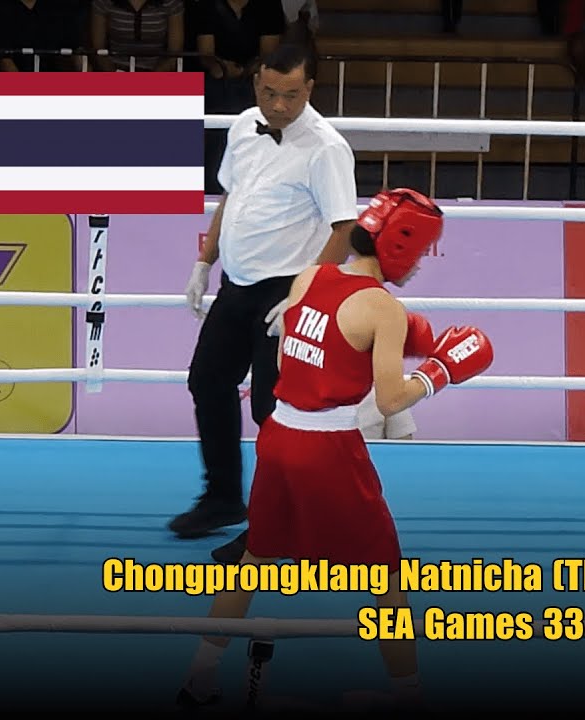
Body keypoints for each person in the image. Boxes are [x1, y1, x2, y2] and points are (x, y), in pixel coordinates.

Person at [176, 188, 496, 710]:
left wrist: (406, 338)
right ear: (398, 247)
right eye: (417, 252)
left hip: (278, 436)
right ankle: (409, 695)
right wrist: (438, 372)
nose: (418, 264)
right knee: (386, 574)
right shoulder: (382, 308)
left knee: (255, 559)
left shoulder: (311, 276)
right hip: (328, 448)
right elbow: (391, 400)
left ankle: (199, 677)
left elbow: (297, 356)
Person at [175, 43, 359, 539]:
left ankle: (280, 519)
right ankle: (222, 498)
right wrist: (204, 261)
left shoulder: (326, 147)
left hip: (288, 289)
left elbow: (344, 229)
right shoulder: (243, 126)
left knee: (272, 409)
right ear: (256, 82)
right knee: (207, 382)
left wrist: (305, 294)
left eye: (291, 95)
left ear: (311, 89)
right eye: (270, 92)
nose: (279, 105)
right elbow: (231, 198)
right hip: (237, 285)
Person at [208, 328, 430, 566]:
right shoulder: (305, 383)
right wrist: (437, 373)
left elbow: (403, 445)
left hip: (344, 477)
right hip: (315, 466)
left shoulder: (381, 388)